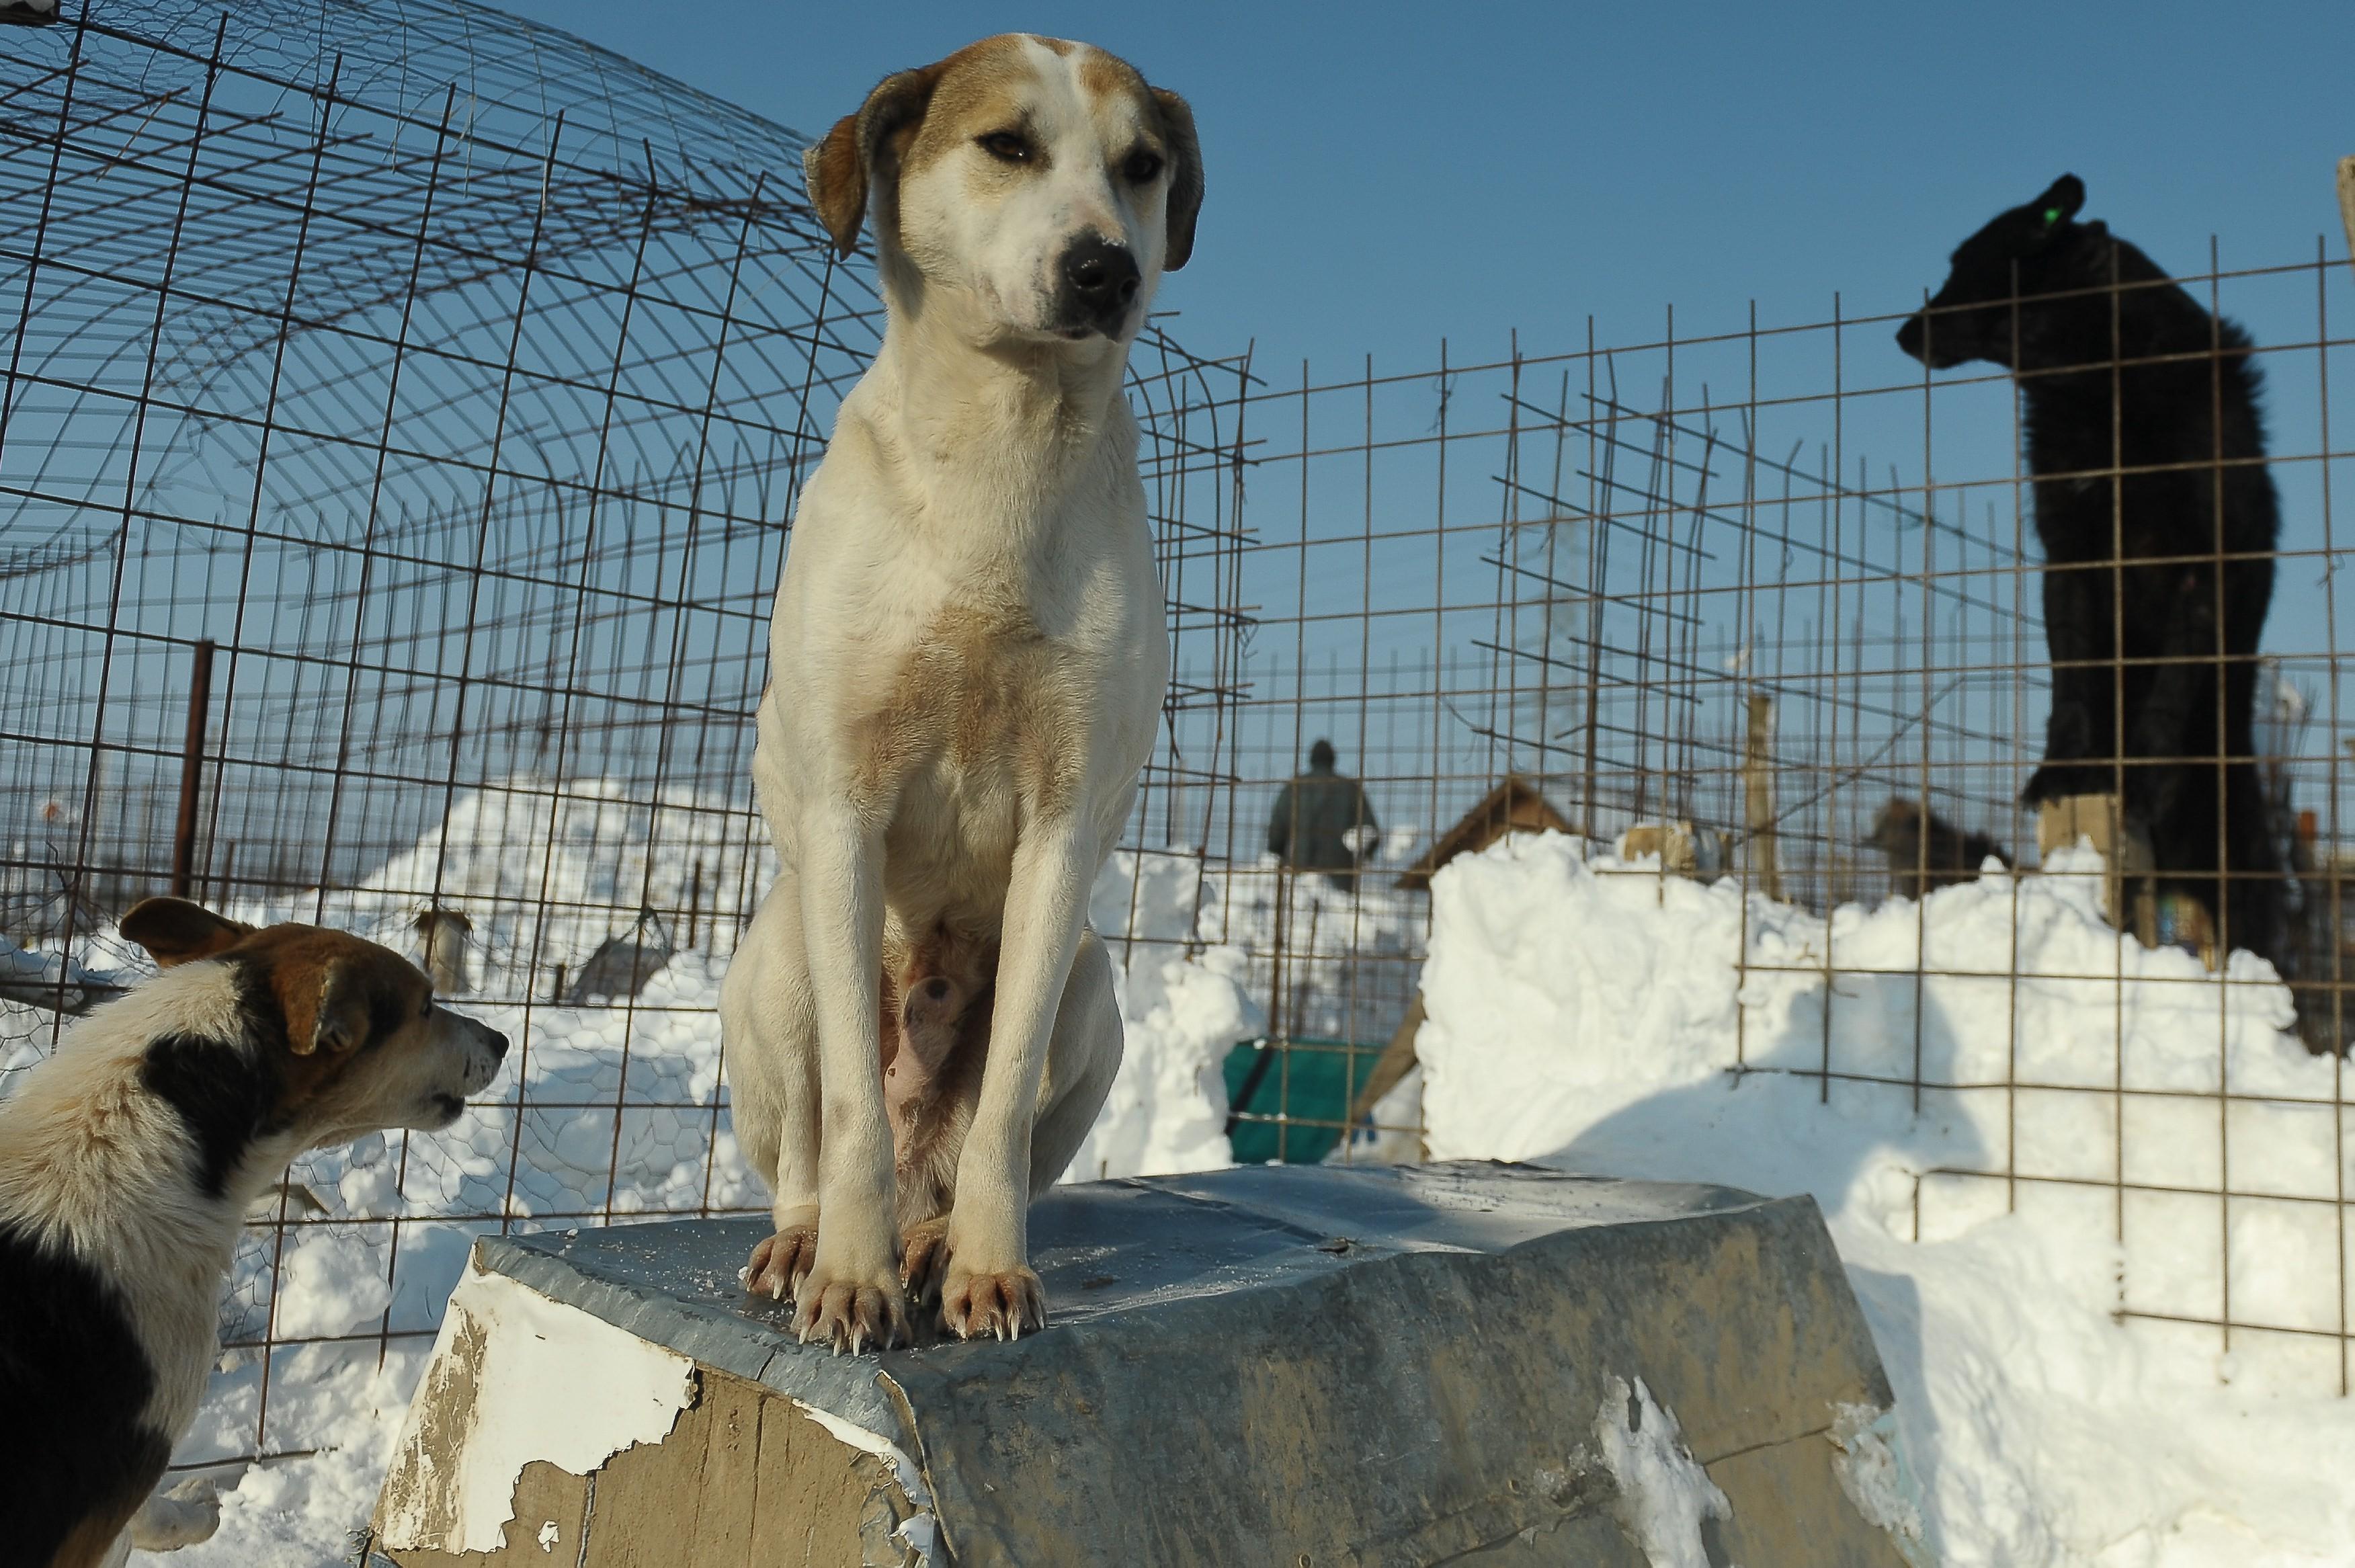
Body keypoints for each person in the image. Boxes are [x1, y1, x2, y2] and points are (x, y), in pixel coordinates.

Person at [1266, 739, 1379, 891]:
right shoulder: (1351, 789)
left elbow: (1277, 830)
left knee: (1300, 902)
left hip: (1300, 872)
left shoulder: (1294, 787)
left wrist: (1276, 852)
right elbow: (1370, 831)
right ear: (1333, 759)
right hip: (1339, 876)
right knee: (1337, 905)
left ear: (1312, 759)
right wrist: (1366, 855)